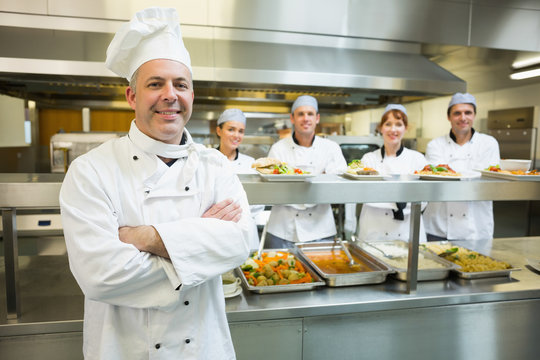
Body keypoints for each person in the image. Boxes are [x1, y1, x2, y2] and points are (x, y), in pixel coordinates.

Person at [59, 7, 251, 360]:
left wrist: (147, 238)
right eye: (155, 84)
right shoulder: (91, 171)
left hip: (203, 349)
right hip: (125, 350)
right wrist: (202, 244)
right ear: (132, 97)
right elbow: (101, 276)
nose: (170, 95)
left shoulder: (215, 165)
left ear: (192, 95)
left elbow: (241, 241)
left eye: (181, 84)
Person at [265, 95, 347, 248]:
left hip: (321, 229)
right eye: (300, 114)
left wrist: (291, 183)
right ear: (292, 118)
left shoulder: (331, 148)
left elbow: (338, 187)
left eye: (310, 114)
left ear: (317, 118)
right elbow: (273, 190)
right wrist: (320, 178)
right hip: (283, 229)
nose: (305, 118)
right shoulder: (278, 149)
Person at [423, 92, 500, 253]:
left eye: (468, 112)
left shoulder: (488, 144)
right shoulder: (435, 145)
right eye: (457, 113)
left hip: (475, 227)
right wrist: (470, 173)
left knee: (475, 271)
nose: (463, 117)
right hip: (439, 227)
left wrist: (451, 172)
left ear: (474, 115)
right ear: (448, 117)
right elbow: (440, 179)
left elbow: (486, 179)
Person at [356, 104, 429, 242]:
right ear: (380, 128)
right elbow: (364, 194)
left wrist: (384, 197)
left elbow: (423, 198)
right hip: (373, 230)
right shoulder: (369, 159)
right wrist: (400, 199)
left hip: (407, 230)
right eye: (388, 124)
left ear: (406, 128)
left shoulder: (417, 159)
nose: (393, 129)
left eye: (399, 124)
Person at [216, 108, 263, 249]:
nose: (236, 135)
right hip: (216, 233)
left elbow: (258, 203)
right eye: (231, 129)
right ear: (219, 131)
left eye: (240, 131)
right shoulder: (206, 160)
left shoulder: (251, 163)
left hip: (245, 232)